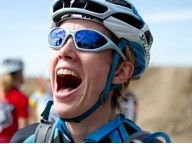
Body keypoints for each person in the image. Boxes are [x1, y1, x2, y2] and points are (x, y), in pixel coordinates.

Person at [12, 0, 171, 143]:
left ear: (120, 72)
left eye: (87, 39)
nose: (64, 51)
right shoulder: (27, 140)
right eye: (58, 37)